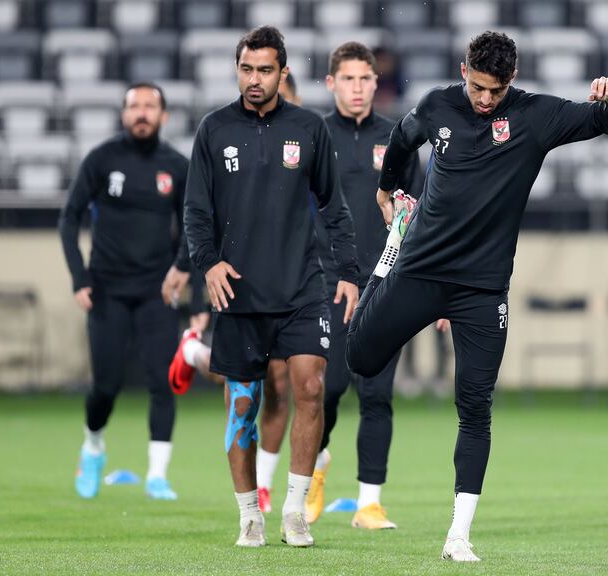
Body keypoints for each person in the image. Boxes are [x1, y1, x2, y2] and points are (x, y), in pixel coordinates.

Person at [345, 31, 608, 562]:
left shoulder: (535, 116)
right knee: (359, 358)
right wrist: (387, 191)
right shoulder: (436, 105)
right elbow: (404, 142)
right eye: (476, 87)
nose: (483, 99)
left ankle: (459, 535)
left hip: (482, 288)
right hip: (421, 270)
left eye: (494, 91)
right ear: (463, 70)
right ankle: (385, 262)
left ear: (512, 81)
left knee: (475, 407)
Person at [183, 26, 359, 548]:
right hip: (237, 292)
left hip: (303, 287)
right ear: (236, 69)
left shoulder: (308, 128)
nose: (254, 79)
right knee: (242, 407)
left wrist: (348, 272)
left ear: (283, 73)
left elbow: (334, 205)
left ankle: (294, 511)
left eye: (264, 70)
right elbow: (195, 211)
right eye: (245, 69)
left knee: (310, 387)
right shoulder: (213, 130)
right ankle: (248, 515)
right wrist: (208, 264)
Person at [296, 41, 427, 529]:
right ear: (331, 83)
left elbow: (416, 216)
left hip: (384, 285)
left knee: (377, 395)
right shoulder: (312, 135)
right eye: (347, 79)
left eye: (365, 79)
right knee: (325, 391)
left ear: (377, 83)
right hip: (324, 285)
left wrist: (427, 286)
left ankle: (369, 503)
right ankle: (313, 471)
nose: (357, 87)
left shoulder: (398, 139)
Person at [168, 72, 303, 514]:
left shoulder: (306, 142)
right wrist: (193, 272)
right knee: (245, 384)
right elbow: (202, 212)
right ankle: (193, 352)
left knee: (282, 383)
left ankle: (264, 483)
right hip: (235, 279)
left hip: (291, 283)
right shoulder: (226, 136)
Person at [59, 82, 191, 501]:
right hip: (107, 290)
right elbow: (69, 219)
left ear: (164, 116)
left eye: (150, 106)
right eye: (134, 106)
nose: (142, 113)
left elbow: (194, 226)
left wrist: (182, 270)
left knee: (162, 381)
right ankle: (93, 445)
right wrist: (79, 277)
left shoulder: (176, 165)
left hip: (156, 291)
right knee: (106, 384)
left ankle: (157, 475)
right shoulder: (102, 159)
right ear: (123, 113)